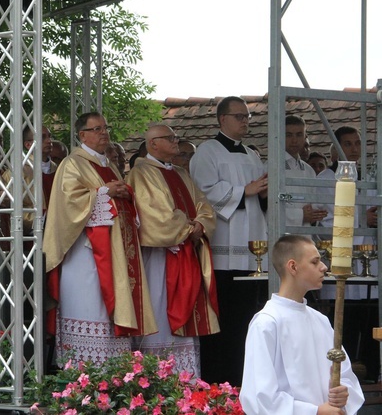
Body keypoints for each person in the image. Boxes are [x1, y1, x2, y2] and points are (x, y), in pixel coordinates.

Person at [44, 112, 154, 364]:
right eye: (96, 129)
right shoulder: (72, 164)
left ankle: (112, 371)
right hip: (83, 252)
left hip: (113, 250)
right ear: (82, 135)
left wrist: (123, 193)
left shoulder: (108, 164)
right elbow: (68, 203)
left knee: (108, 308)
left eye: (105, 128)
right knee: (89, 305)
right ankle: (83, 369)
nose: (104, 133)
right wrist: (104, 191)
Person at [128, 124, 219, 376]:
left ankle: (186, 379)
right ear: (153, 144)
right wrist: (188, 229)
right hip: (161, 256)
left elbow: (203, 204)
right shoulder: (141, 172)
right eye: (170, 138)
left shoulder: (180, 172)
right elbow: (155, 215)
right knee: (160, 308)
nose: (175, 141)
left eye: (175, 137)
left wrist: (201, 223)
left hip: (186, 252)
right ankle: (158, 376)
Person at [189, 96, 267, 384]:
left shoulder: (252, 154)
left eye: (247, 117)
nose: (245, 121)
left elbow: (258, 193)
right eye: (239, 116)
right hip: (224, 254)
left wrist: (263, 192)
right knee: (226, 320)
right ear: (223, 119)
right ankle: (219, 379)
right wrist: (244, 190)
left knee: (247, 317)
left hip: (253, 248)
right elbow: (203, 192)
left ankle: (243, 377)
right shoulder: (207, 152)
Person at [240, 235, 364, 415]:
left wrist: (343, 392)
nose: (324, 267)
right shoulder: (267, 323)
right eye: (315, 262)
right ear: (293, 266)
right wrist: (314, 411)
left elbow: (344, 374)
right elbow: (259, 395)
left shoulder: (320, 320)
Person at [284, 115, 326, 228]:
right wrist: (301, 215)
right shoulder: (272, 167)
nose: (294, 140)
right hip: (281, 237)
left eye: (299, 135)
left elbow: (315, 203)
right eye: (289, 135)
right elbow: (270, 208)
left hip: (306, 235)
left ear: (305, 137)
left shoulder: (309, 170)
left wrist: (315, 213)